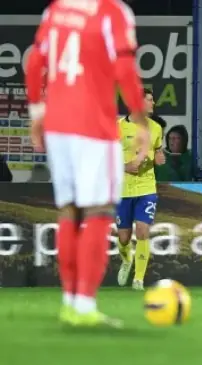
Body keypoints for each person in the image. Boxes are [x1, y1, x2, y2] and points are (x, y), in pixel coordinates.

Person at [26, 0, 147, 328]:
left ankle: (69, 303)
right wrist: (140, 120)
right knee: (98, 211)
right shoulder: (112, 12)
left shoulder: (55, 10)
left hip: (58, 125)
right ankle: (84, 305)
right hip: (94, 126)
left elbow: (35, 61)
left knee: (70, 211)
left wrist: (37, 111)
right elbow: (124, 70)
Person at [116, 89, 166, 291]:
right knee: (123, 238)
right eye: (149, 100)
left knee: (143, 230)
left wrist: (159, 158)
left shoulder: (156, 128)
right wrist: (124, 167)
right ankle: (126, 260)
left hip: (147, 187)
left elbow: (158, 151)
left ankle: (138, 279)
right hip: (123, 190)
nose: (153, 103)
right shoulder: (117, 127)